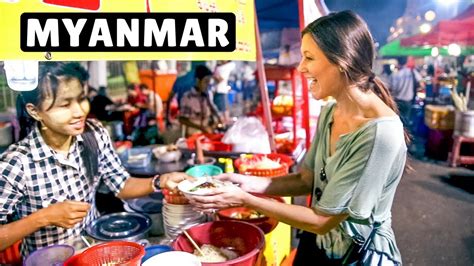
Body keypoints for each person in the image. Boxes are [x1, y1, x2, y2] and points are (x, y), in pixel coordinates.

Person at [164, 11, 406, 265]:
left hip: (355, 255)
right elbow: (306, 179)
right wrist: (243, 182)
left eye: (309, 58)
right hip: (319, 242)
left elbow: (323, 220)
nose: (301, 67)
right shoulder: (330, 112)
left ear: (341, 62)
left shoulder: (380, 134)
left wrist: (243, 199)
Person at [0, 62, 189, 257]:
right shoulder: (15, 164)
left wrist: (160, 181)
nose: (80, 111)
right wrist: (43, 218)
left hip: (96, 255)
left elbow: (121, 184)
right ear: (35, 111)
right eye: (65, 104)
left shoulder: (94, 134)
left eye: (81, 99)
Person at [179, 65, 222, 137]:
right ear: (198, 81)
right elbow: (182, 119)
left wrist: (219, 117)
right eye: (205, 82)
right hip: (192, 135)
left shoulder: (207, 94)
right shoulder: (188, 97)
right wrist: (201, 128)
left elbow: (212, 107)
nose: (207, 85)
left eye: (209, 82)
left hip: (206, 134)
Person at [389, 56, 422, 127]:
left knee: (397, 121)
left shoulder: (394, 75)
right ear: (406, 62)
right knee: (406, 121)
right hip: (408, 101)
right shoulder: (412, 72)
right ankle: (406, 136)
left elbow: (392, 89)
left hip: (397, 101)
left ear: (397, 62)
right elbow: (421, 83)